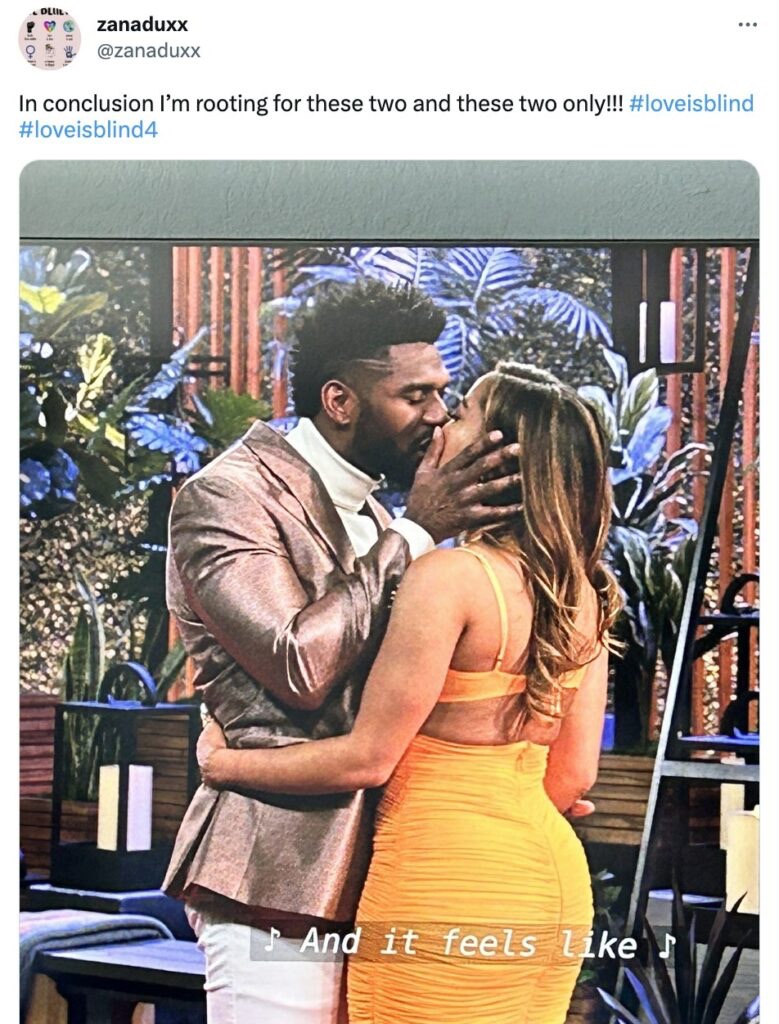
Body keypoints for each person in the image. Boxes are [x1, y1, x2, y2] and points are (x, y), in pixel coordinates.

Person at [198, 361, 621, 1024]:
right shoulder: (582, 595)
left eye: (462, 412)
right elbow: (571, 778)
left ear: (497, 456)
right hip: (548, 884)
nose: (442, 421)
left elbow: (367, 758)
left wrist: (223, 764)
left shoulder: (447, 578)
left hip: (444, 877)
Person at [162, 279, 525, 1024]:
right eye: (415, 396)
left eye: (443, 394)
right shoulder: (226, 496)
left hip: (389, 877)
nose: (439, 415)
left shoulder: (379, 512)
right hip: (273, 872)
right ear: (339, 401)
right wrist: (416, 533)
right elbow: (296, 663)